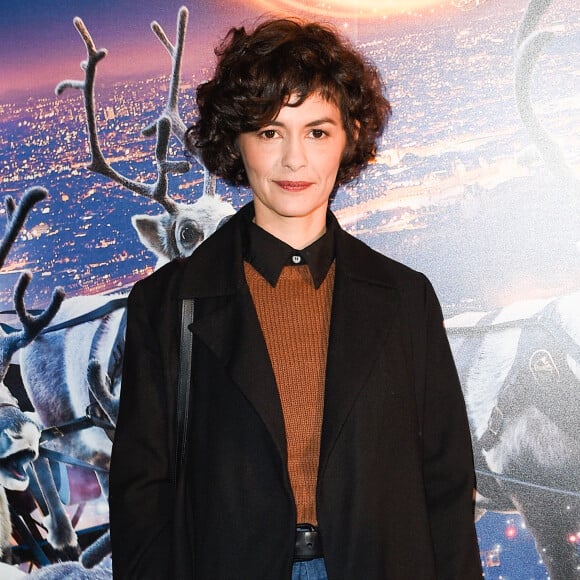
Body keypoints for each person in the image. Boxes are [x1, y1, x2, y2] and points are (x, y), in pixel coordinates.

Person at [109, 17, 482, 580]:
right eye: (268, 132)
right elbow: (142, 500)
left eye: (316, 131)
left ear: (349, 136)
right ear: (236, 140)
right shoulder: (166, 304)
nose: (294, 160)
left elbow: (447, 487)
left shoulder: (406, 299)